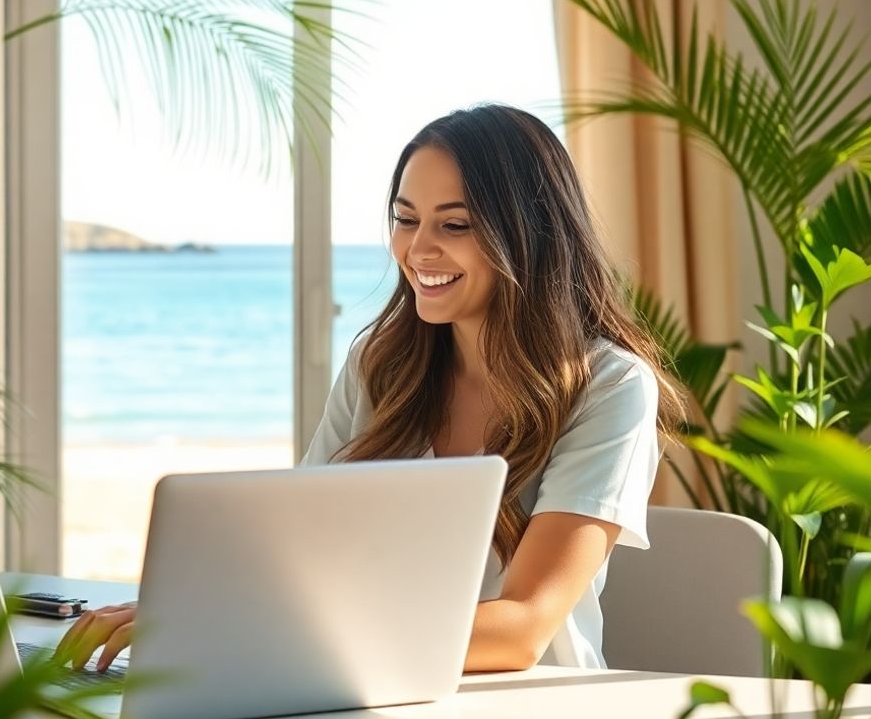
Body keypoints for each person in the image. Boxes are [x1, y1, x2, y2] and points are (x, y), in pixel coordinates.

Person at [52, 104, 684, 673]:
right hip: (365, 687)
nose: (418, 249)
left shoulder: (609, 386)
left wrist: (244, 627)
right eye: (405, 219)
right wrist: (195, 607)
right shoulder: (379, 366)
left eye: (455, 225)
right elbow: (291, 558)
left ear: (528, 236)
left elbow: (523, 628)